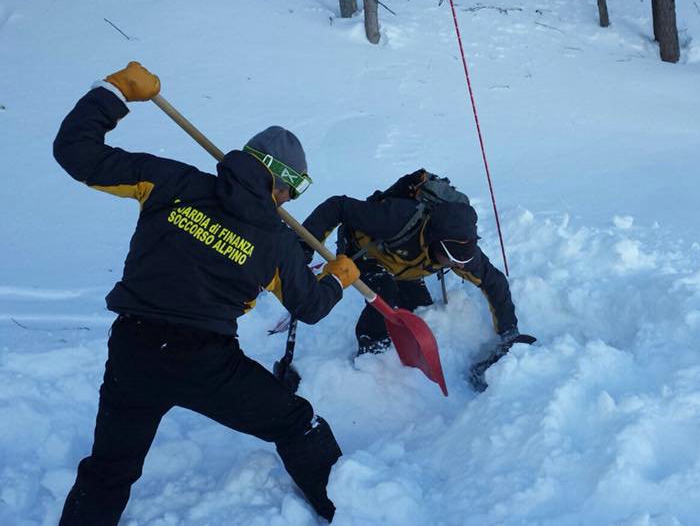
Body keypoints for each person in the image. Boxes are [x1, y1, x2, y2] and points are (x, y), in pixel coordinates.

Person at [53, 62, 360, 525]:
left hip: (133, 351)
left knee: (109, 470)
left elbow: (75, 152)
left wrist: (113, 92)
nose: (287, 204)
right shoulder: (275, 240)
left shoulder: (171, 182)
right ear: (276, 183)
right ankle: (355, 510)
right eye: (290, 193)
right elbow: (310, 307)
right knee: (296, 422)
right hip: (205, 362)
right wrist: (338, 278)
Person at [302, 170, 535, 380]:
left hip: (406, 264)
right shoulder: (396, 218)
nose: (456, 263)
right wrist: (303, 248)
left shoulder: (462, 248)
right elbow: (337, 206)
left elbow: (494, 283)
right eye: (451, 256)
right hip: (367, 251)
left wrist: (508, 330)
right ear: (434, 241)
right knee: (385, 295)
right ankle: (372, 356)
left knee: (420, 311)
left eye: (461, 257)